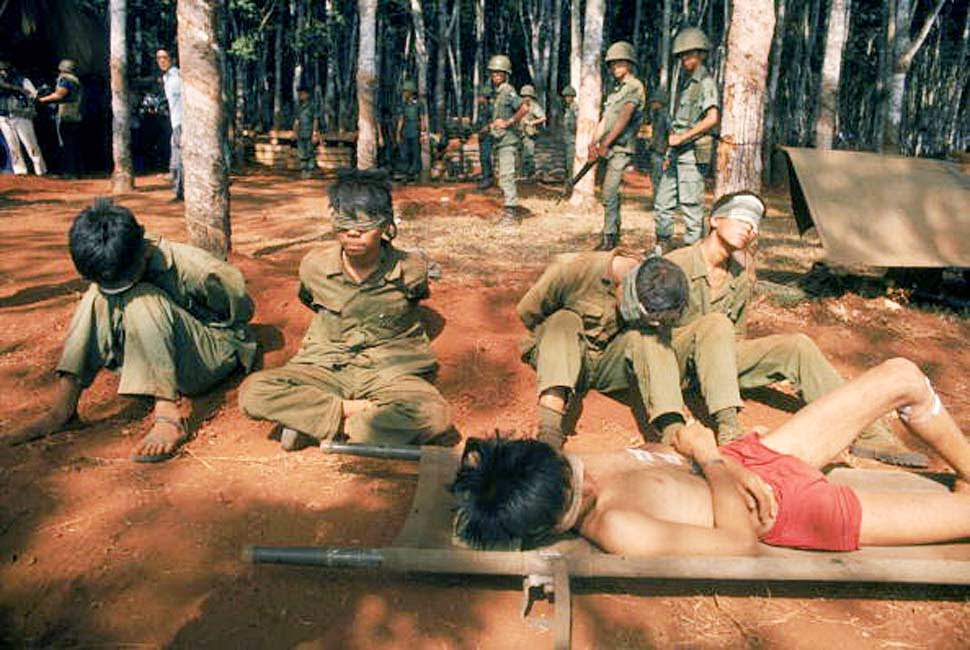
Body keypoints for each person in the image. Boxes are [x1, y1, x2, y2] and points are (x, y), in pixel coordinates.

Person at [452, 357, 970, 555]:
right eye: (577, 485)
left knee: (903, 375)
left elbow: (671, 450)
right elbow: (737, 542)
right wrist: (714, 459)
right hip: (783, 509)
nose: (583, 476)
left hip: (751, 458)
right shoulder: (617, 527)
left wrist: (712, 453)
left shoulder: (572, 470)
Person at [654, 190, 926, 466]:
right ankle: (730, 429)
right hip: (672, 366)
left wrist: (720, 370)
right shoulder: (674, 265)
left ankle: (871, 432)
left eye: (754, 223)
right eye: (741, 216)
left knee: (797, 345)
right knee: (715, 323)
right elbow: (648, 340)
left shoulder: (740, 278)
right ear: (714, 220)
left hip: (712, 369)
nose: (748, 227)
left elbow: (735, 340)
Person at [4, 198, 258, 461]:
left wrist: (179, 319)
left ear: (142, 251)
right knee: (96, 296)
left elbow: (241, 312)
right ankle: (63, 410)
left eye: (125, 279)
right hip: (155, 353)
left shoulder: (199, 269)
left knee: (143, 299)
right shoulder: (112, 261)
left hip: (213, 352)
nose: (118, 286)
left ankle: (167, 415)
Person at [239, 170, 452, 450]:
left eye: (364, 228)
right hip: (325, 365)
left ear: (386, 225)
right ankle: (354, 416)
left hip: (389, 371)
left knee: (435, 416)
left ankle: (314, 423)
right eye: (343, 226)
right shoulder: (314, 267)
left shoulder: (411, 270)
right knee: (253, 392)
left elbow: (418, 295)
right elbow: (310, 299)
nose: (352, 234)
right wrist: (350, 408)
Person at [517, 252, 689, 449]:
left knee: (648, 338)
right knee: (563, 320)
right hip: (562, 353)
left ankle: (673, 433)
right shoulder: (573, 270)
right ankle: (549, 434)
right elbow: (528, 312)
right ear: (624, 286)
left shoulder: (661, 292)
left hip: (609, 364)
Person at [653, 27, 719, 250]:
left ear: (700, 54)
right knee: (663, 202)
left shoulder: (705, 83)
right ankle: (663, 246)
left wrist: (683, 137)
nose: (684, 60)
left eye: (689, 54)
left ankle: (693, 253)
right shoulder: (683, 83)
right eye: (681, 55)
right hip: (676, 152)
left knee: (691, 206)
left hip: (691, 152)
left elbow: (712, 118)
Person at [587, 41, 646, 252]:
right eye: (612, 64)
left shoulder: (635, 87)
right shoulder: (614, 91)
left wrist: (606, 142)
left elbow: (625, 116)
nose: (615, 68)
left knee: (609, 192)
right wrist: (593, 142)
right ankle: (613, 230)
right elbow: (605, 119)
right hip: (608, 146)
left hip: (621, 148)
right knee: (608, 192)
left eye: (620, 63)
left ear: (629, 64)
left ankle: (609, 237)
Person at [487, 54, 530, 227]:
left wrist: (509, 122)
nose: (495, 76)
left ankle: (511, 214)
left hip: (508, 141)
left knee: (507, 176)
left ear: (506, 74)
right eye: (493, 73)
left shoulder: (507, 91)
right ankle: (509, 211)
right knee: (503, 176)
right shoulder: (498, 93)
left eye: (499, 73)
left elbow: (525, 107)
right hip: (501, 141)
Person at [38, 59, 83, 178]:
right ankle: (75, 171)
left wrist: (41, 100)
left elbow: (59, 95)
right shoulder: (76, 80)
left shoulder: (65, 80)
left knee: (65, 144)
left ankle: (68, 172)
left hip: (66, 116)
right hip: (75, 115)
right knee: (72, 144)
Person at [0, 59, 47, 176]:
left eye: (5, 70)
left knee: (30, 144)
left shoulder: (22, 80)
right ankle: (20, 170)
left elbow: (33, 95)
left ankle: (40, 170)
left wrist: (25, 93)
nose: (3, 72)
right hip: (3, 115)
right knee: (12, 145)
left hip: (21, 115)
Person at [155, 49, 183, 200]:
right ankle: (179, 191)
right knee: (176, 158)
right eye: (159, 58)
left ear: (172, 59)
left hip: (181, 122)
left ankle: (179, 192)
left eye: (165, 57)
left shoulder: (177, 77)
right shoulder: (167, 78)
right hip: (176, 122)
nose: (161, 61)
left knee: (178, 159)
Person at [396, 80, 426, 182]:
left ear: (411, 92)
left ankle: (415, 174)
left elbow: (422, 118)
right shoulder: (403, 105)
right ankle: (407, 174)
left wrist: (423, 132)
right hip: (406, 131)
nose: (404, 94)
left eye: (406, 91)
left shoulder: (418, 104)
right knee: (405, 153)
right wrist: (398, 133)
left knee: (415, 153)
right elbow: (401, 119)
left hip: (415, 131)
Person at [645, 88, 668, 207]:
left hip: (661, 152)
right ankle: (658, 202)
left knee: (658, 179)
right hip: (657, 151)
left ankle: (659, 203)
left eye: (654, 102)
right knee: (656, 179)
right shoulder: (657, 115)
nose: (652, 104)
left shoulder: (664, 115)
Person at [517, 84, 546, 180]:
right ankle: (522, 174)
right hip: (520, 133)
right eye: (523, 96)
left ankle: (529, 174)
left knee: (528, 154)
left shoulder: (534, 106)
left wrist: (532, 122)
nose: (525, 98)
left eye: (527, 96)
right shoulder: (520, 105)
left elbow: (543, 118)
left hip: (529, 134)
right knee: (520, 154)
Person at [293, 85, 319, 179]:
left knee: (310, 151)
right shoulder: (298, 107)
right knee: (301, 152)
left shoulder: (312, 106)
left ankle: (310, 170)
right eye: (300, 94)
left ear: (307, 94)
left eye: (303, 94)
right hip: (301, 133)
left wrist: (315, 133)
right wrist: (295, 132)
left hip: (309, 132)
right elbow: (296, 120)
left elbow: (315, 119)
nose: (301, 96)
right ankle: (303, 170)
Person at [474, 84, 495, 189]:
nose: (478, 99)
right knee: (483, 157)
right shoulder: (483, 108)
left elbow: (493, 122)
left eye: (480, 96)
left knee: (485, 157)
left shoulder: (491, 108)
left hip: (488, 136)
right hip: (483, 136)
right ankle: (486, 177)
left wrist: (486, 129)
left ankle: (488, 179)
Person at [560, 85, 577, 181]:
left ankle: (571, 181)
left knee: (571, 163)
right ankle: (569, 181)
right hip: (568, 140)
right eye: (566, 96)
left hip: (573, 140)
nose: (567, 98)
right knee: (567, 162)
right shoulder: (568, 108)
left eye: (569, 96)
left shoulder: (575, 108)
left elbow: (577, 123)